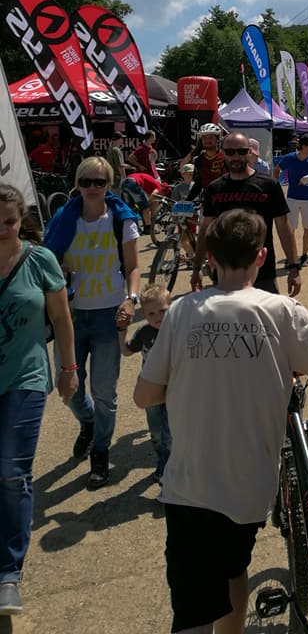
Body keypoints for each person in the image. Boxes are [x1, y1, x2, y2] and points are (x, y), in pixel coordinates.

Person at [134, 209, 308, 634]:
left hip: (189, 486)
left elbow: (144, 395)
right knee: (234, 570)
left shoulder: (180, 312)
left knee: (193, 608)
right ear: (262, 256)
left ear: (211, 258)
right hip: (248, 491)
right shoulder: (281, 310)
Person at [0, 184, 78, 617]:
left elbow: (61, 318)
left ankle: (8, 573)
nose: (3, 230)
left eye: (9, 222)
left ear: (21, 220)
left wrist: (68, 368)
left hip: (26, 379)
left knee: (12, 473)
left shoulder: (39, 259)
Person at [43, 156, 140, 488]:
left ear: (109, 184)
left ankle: (100, 450)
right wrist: (58, 270)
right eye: (86, 182)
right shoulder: (62, 219)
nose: (92, 188)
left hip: (107, 315)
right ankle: (88, 423)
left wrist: (131, 299)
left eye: (99, 182)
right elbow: (47, 261)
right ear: (77, 184)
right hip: (69, 315)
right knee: (69, 388)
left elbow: (133, 267)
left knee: (104, 392)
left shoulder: (121, 220)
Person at [191, 131, 301, 296]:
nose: (236, 156)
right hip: (224, 275)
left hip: (262, 273)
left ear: (249, 152)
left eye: (241, 151)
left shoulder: (269, 186)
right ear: (223, 153)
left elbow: (284, 227)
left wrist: (294, 267)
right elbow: (206, 228)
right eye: (230, 152)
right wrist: (197, 268)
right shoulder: (214, 189)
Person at [117, 284, 172, 484]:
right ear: (144, 315)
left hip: (174, 391)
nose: (158, 317)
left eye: (162, 311)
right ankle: (162, 459)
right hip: (151, 390)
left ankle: (168, 468)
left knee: (170, 434)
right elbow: (126, 351)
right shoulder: (144, 333)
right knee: (156, 433)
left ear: (171, 307)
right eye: (151, 313)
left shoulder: (178, 330)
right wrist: (122, 328)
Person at [274, 134, 308, 268]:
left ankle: (304, 255)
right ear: (303, 146)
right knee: (290, 229)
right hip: (292, 199)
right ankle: (291, 256)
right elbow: (277, 169)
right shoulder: (289, 158)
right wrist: (276, 186)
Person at [185, 123, 226, 196]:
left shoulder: (226, 157)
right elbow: (199, 182)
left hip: (225, 197)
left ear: (217, 139)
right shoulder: (198, 160)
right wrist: (188, 199)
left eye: (210, 137)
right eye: (204, 138)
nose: (207, 140)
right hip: (208, 198)